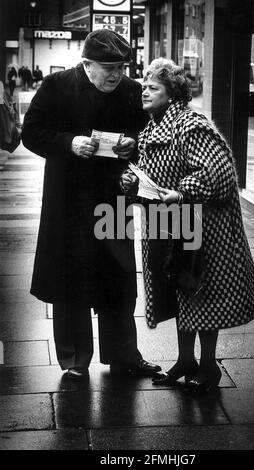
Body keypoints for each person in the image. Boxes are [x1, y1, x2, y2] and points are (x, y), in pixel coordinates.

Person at [121, 58, 254, 393]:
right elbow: (151, 174)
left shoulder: (190, 124)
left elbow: (218, 173)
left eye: (152, 87)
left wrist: (181, 192)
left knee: (201, 292)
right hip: (169, 223)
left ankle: (208, 365)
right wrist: (134, 183)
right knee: (179, 291)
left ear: (171, 94)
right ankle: (186, 360)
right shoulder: (152, 128)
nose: (144, 90)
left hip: (201, 226)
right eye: (144, 85)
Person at [21, 30, 161, 380]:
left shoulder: (131, 91)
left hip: (112, 200)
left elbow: (147, 131)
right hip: (67, 201)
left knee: (119, 277)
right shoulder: (57, 86)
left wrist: (133, 142)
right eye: (107, 67)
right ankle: (74, 361)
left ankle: (124, 355)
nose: (115, 74)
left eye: (121, 67)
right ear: (86, 64)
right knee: (70, 280)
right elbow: (31, 132)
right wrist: (70, 143)